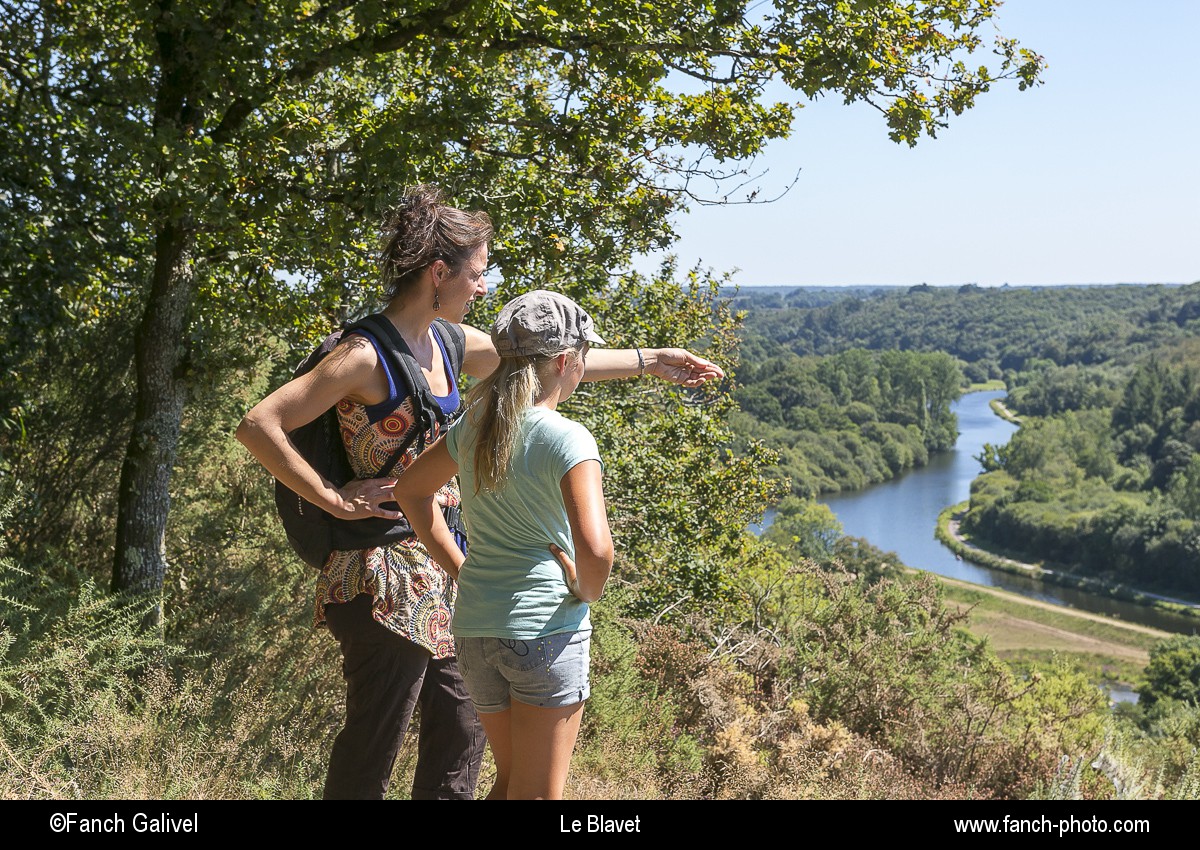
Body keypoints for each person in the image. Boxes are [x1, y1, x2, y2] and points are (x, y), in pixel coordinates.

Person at [236, 185, 724, 800]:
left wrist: (649, 360)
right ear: (440, 273)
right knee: (375, 738)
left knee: (460, 739)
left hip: (443, 568)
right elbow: (259, 425)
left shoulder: (445, 341)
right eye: (479, 272)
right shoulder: (364, 355)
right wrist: (335, 497)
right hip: (379, 570)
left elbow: (543, 360)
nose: (485, 286)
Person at [395, 290, 611, 800]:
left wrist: (460, 569)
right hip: (545, 629)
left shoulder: (474, 425)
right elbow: (597, 551)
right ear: (564, 361)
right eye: (582, 356)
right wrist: (585, 590)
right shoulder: (568, 437)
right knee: (538, 795)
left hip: (475, 630)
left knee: (512, 783)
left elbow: (410, 491)